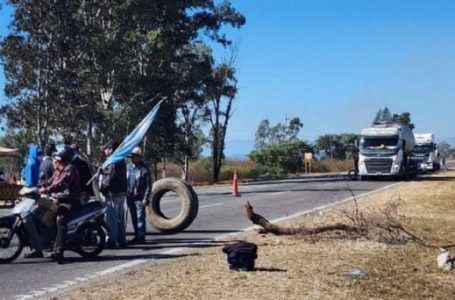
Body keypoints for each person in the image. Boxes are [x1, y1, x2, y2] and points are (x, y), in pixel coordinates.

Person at [39, 145, 81, 264]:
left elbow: (60, 184)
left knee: (60, 220)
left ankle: (59, 251)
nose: (52, 162)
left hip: (70, 201)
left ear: (59, 159)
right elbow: (51, 181)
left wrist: (46, 190)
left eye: (54, 160)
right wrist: (39, 186)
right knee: (44, 214)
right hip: (60, 199)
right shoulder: (58, 170)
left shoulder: (70, 169)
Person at [100, 140, 127, 249]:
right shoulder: (121, 159)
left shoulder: (113, 160)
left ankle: (111, 240)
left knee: (112, 218)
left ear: (110, 149)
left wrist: (103, 187)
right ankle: (121, 240)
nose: (104, 151)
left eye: (106, 148)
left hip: (113, 193)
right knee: (120, 218)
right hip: (121, 192)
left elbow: (111, 176)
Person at [126, 147, 152, 244]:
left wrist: (146, 198)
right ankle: (137, 235)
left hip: (140, 198)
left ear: (139, 157)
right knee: (133, 218)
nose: (132, 158)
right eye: (131, 157)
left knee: (140, 218)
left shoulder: (145, 169)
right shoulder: (128, 168)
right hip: (130, 197)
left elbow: (149, 186)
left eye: (134, 156)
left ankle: (141, 237)